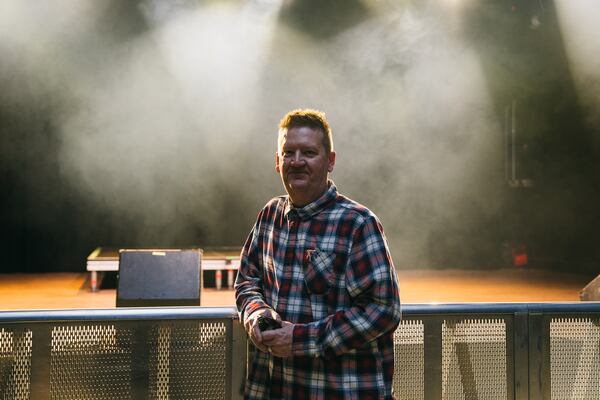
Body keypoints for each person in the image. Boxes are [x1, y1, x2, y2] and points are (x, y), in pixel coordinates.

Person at [235, 108, 401, 399]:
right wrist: (256, 314)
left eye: (308, 153)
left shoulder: (357, 224)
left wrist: (299, 340)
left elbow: (383, 310)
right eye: (288, 153)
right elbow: (247, 281)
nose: (296, 162)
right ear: (277, 161)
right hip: (275, 389)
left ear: (330, 161)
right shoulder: (269, 216)